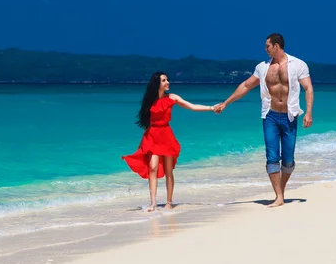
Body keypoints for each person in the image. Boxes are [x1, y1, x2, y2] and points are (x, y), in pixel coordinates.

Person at [214, 33, 314, 207]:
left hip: (290, 116)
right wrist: (226, 103)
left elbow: (309, 88)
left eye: (267, 46)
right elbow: (246, 85)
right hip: (270, 116)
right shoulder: (262, 67)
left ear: (276, 46)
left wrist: (308, 113)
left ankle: (280, 191)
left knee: (288, 160)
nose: (265, 49)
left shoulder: (298, 65)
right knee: (272, 156)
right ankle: (279, 196)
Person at [122, 72, 217, 212]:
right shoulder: (150, 101)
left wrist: (211, 108)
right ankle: (153, 203)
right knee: (152, 167)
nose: (167, 82)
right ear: (157, 84)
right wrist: (142, 143)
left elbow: (191, 106)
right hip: (152, 136)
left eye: (167, 80)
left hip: (166, 135)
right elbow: (148, 123)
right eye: (164, 80)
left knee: (168, 170)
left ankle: (168, 202)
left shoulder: (172, 97)